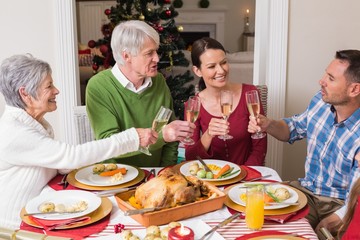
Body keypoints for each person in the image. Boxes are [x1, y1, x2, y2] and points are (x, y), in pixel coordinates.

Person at [0, 54, 157, 229]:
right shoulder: (14, 132)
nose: (56, 91)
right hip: (18, 227)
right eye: (49, 86)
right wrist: (131, 138)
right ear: (25, 93)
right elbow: (70, 156)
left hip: (38, 214)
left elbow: (59, 163)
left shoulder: (34, 123)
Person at [248, 50, 360, 236]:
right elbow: (293, 129)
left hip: (339, 204)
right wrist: (268, 124)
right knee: (259, 217)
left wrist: (336, 219)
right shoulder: (320, 102)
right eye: (326, 73)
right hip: (305, 191)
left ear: (354, 89)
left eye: (331, 78)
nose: (321, 81)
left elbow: (357, 195)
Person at [86, 20, 195, 167]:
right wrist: (164, 136)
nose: (157, 58)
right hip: (116, 177)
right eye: (149, 53)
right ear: (126, 56)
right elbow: (109, 146)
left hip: (156, 176)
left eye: (156, 51)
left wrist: (164, 171)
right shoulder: (99, 86)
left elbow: (171, 136)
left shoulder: (158, 81)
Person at [184, 37, 267, 166]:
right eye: (211, 66)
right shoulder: (194, 106)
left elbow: (259, 149)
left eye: (223, 62)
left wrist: (245, 176)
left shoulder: (249, 93)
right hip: (211, 178)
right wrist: (208, 135)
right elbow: (190, 158)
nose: (221, 71)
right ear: (197, 71)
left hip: (246, 178)